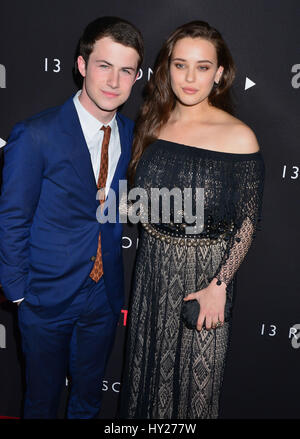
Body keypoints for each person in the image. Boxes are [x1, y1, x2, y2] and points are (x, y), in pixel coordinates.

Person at [120, 21, 265, 419]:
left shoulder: (239, 136)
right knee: (148, 381)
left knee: (197, 393)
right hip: (152, 273)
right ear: (167, 69)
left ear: (219, 73)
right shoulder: (153, 123)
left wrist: (220, 285)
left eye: (202, 67)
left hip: (207, 277)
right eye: (180, 64)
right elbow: (148, 202)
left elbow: (247, 222)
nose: (189, 77)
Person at [0, 16, 143, 419]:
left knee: (88, 401)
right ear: (82, 65)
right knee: (41, 402)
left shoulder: (134, 135)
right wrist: (18, 292)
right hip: (44, 296)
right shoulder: (36, 134)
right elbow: (12, 217)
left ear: (136, 77)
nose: (114, 81)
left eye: (126, 70)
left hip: (104, 295)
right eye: (104, 65)